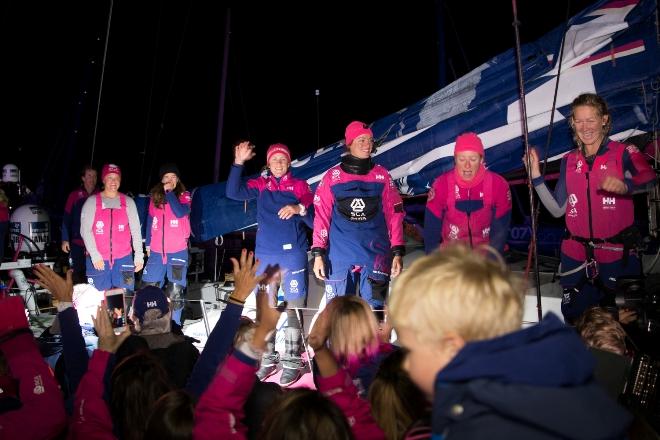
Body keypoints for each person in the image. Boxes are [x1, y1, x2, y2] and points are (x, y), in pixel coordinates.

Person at [388, 243, 632, 439]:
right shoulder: (531, 389)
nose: (407, 365)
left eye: (411, 350)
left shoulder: (484, 425)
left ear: (451, 348)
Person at [524, 93, 656, 322]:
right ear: (573, 123)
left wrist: (626, 186)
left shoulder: (624, 152)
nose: (585, 127)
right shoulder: (569, 160)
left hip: (617, 258)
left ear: (604, 120)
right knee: (577, 322)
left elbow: (650, 178)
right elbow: (557, 210)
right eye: (579, 120)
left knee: (625, 324)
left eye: (591, 120)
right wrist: (536, 176)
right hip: (576, 259)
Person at [226, 141, 314, 386]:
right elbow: (233, 192)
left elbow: (313, 219)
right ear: (268, 162)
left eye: (283, 160)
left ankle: (293, 360)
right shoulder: (261, 185)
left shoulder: (300, 185)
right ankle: (267, 358)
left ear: (289, 163)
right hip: (265, 259)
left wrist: (299, 208)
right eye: (274, 159)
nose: (279, 163)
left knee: (295, 310)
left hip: (293, 255)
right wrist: (238, 163)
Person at [312, 121, 405, 310]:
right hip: (339, 258)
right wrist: (318, 253)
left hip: (376, 257)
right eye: (361, 139)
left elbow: (395, 214)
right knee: (338, 316)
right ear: (349, 143)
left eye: (370, 140)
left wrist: (397, 251)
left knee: (375, 317)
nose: (367, 144)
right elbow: (321, 215)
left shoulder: (382, 176)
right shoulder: (332, 176)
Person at [424, 132, 511, 255]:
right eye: (462, 159)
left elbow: (500, 233)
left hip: (486, 257)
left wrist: (491, 264)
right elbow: (431, 231)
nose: (467, 165)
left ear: (481, 159)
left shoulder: (498, 185)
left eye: (473, 159)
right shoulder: (441, 185)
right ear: (455, 159)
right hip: (452, 258)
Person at [80, 163, 144, 291]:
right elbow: (85, 231)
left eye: (116, 178)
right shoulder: (92, 202)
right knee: (97, 301)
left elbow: (136, 231)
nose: (113, 181)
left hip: (124, 260)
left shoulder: (128, 202)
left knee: (126, 298)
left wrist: (139, 256)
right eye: (109, 177)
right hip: (98, 261)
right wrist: (95, 255)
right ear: (103, 179)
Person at [142, 163, 192, 325]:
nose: (170, 179)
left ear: (177, 180)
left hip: (177, 252)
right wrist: (148, 244)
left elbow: (179, 212)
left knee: (175, 292)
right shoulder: (154, 198)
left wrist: (170, 193)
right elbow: (150, 221)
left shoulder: (184, 196)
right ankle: (150, 326)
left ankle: (175, 326)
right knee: (149, 289)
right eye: (166, 177)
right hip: (156, 252)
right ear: (161, 180)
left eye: (173, 177)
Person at [61, 165, 99, 282]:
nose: (92, 179)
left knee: (95, 273)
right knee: (77, 274)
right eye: (89, 175)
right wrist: (65, 239)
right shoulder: (74, 195)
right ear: (83, 178)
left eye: (94, 176)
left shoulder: (100, 195)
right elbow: (66, 218)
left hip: (95, 243)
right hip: (77, 242)